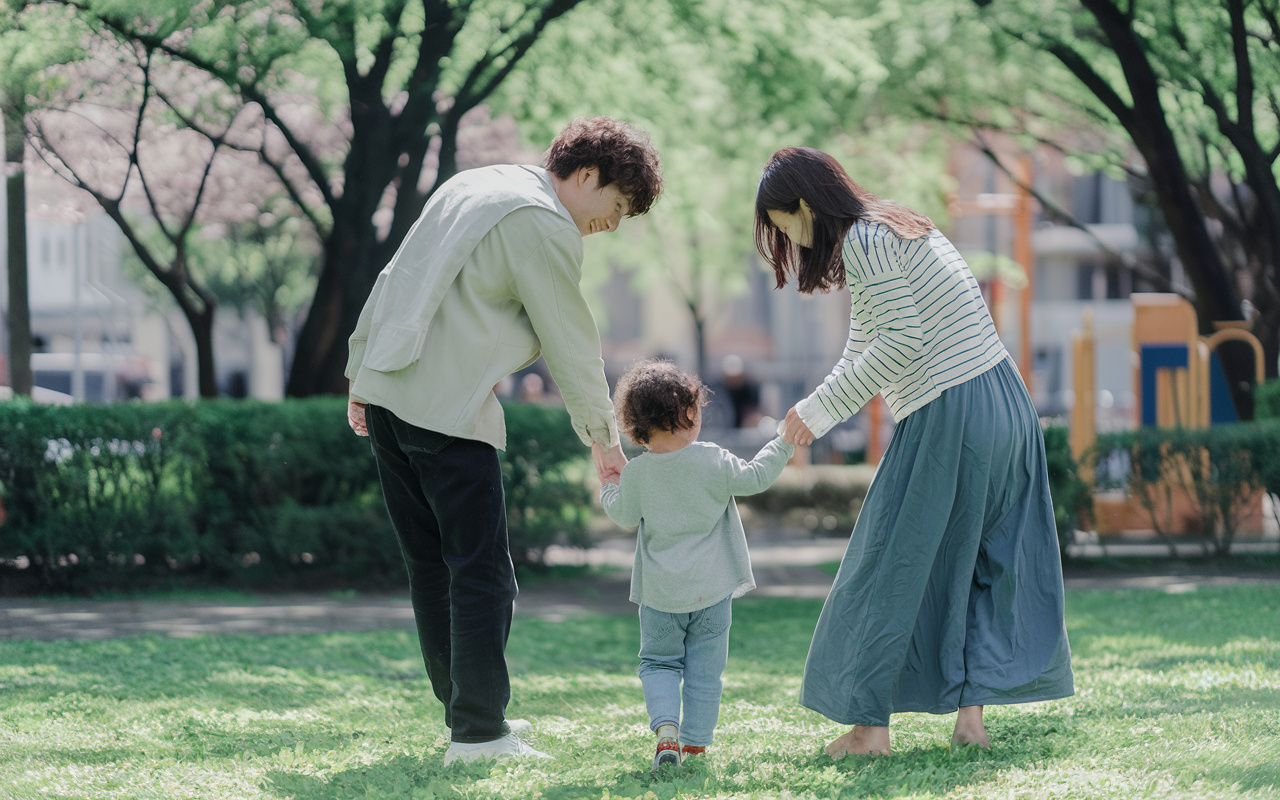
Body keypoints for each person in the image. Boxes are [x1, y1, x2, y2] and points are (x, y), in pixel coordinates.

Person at [345, 116, 663, 765]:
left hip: (389, 398)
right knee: (483, 575)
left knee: (432, 568)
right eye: (617, 205)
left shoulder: (472, 184)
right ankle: (480, 733)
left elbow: (394, 278)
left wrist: (359, 372)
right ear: (586, 176)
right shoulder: (541, 220)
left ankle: (466, 718)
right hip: (446, 410)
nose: (613, 223)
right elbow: (570, 338)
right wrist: (604, 438)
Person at [754, 147, 1073, 758]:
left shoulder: (864, 241)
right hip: (1004, 400)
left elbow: (901, 342)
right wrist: (813, 413)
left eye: (784, 223)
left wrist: (820, 411)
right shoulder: (898, 224)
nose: (789, 238)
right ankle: (971, 722)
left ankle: (870, 730)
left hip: (948, 407)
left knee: (887, 566)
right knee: (985, 560)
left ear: (803, 205)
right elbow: (865, 343)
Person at [599, 358, 795, 770]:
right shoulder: (712, 460)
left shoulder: (638, 473)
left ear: (635, 423)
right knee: (706, 672)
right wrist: (783, 441)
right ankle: (695, 747)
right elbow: (756, 477)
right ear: (688, 413)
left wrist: (608, 486)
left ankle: (666, 732)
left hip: (660, 595)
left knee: (658, 663)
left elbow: (622, 514)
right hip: (713, 591)